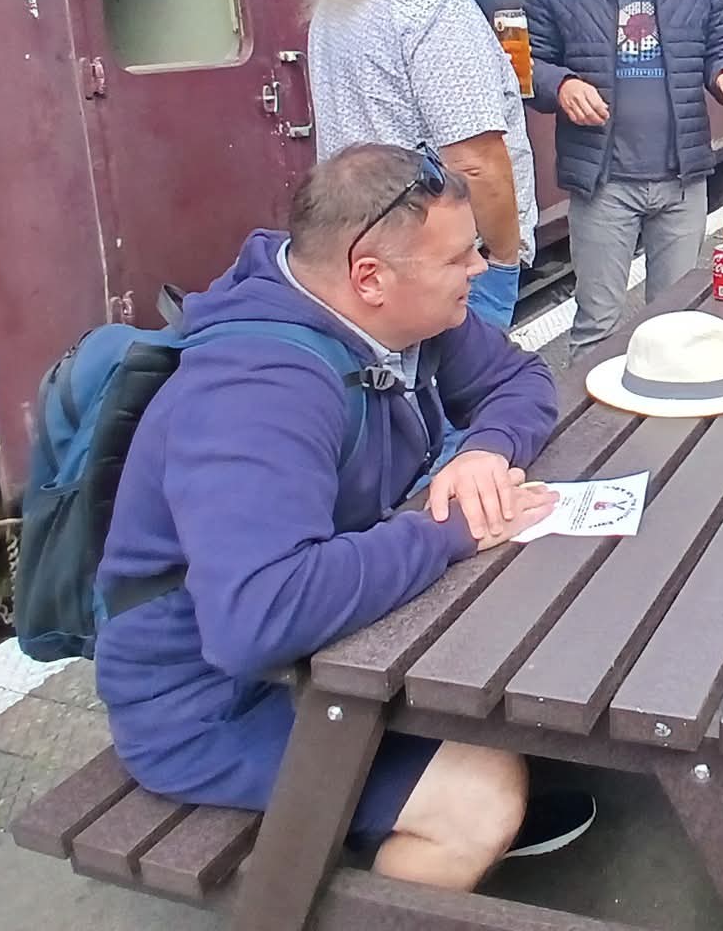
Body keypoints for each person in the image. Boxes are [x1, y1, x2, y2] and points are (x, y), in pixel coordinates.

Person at [94, 145, 593, 888]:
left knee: (529, 648)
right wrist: (444, 534)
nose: (480, 268)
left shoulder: (402, 312)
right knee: (482, 800)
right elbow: (256, 617)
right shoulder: (257, 391)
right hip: (212, 704)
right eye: (460, 257)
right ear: (370, 276)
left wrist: (486, 451)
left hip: (323, 651)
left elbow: (519, 379)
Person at [526, 0, 723, 354]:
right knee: (597, 328)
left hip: (680, 179)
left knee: (675, 322)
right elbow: (528, 66)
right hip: (603, 182)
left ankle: (661, 431)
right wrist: (560, 84)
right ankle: (590, 435)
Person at [308, 0, 536, 330]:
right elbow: (475, 162)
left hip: (365, 247)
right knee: (462, 390)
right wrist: (501, 262)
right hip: (440, 263)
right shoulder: (433, 1)